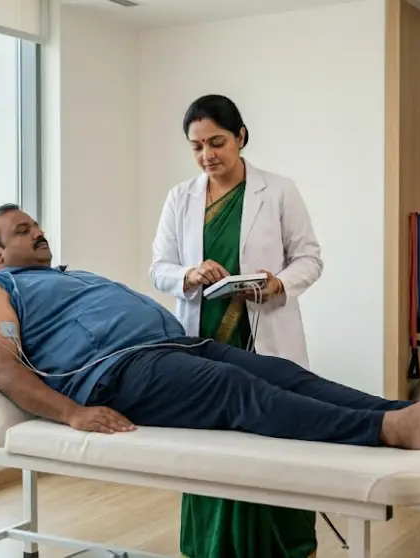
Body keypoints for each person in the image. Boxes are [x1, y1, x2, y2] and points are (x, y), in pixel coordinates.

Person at [0, 204, 420, 547]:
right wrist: (73, 414)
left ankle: (404, 412)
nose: (38, 231)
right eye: (22, 231)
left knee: (284, 373)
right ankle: (387, 432)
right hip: (119, 372)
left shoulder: (68, 276)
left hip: (174, 346)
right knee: (238, 392)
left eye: (36, 224)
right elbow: (0, 367)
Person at [149, 94, 325, 558]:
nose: (208, 154)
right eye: (197, 146)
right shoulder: (179, 198)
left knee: (276, 435)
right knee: (209, 444)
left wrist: (277, 283)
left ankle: (284, 543)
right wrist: (187, 275)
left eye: (217, 142)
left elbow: (310, 258)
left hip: (263, 334)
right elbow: (159, 267)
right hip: (203, 335)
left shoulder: (278, 190)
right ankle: (211, 544)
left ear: (241, 137)